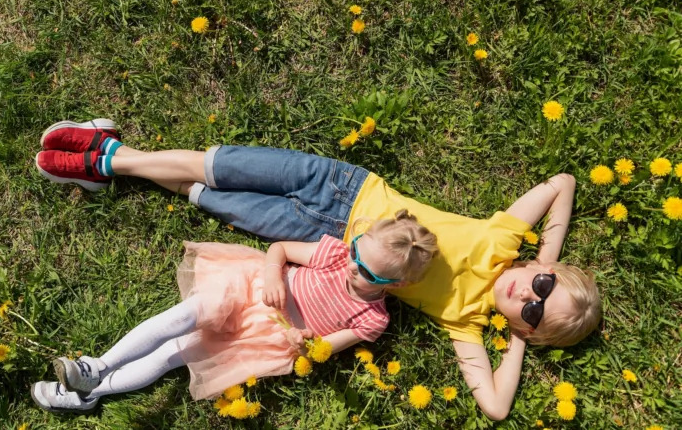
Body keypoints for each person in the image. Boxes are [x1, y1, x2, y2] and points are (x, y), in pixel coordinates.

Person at [34, 119, 602, 420]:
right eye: (543, 285)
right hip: (342, 185)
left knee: (205, 194)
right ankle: (109, 159)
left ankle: (103, 157)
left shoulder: (465, 322)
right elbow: (563, 185)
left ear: (521, 324)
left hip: (314, 243)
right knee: (218, 161)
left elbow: (496, 406)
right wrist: (542, 262)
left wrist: (520, 333)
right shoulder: (505, 239)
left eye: (532, 307)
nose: (527, 291)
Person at [30, 211, 438, 413]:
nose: (352, 266)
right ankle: (96, 365)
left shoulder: (373, 319)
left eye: (365, 271)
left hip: (264, 332)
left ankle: (89, 393)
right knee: (182, 316)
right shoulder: (334, 255)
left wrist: (305, 341)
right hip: (250, 287)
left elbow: (323, 348)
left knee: (173, 354)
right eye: (356, 253)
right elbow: (279, 250)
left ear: (396, 285)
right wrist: (274, 276)